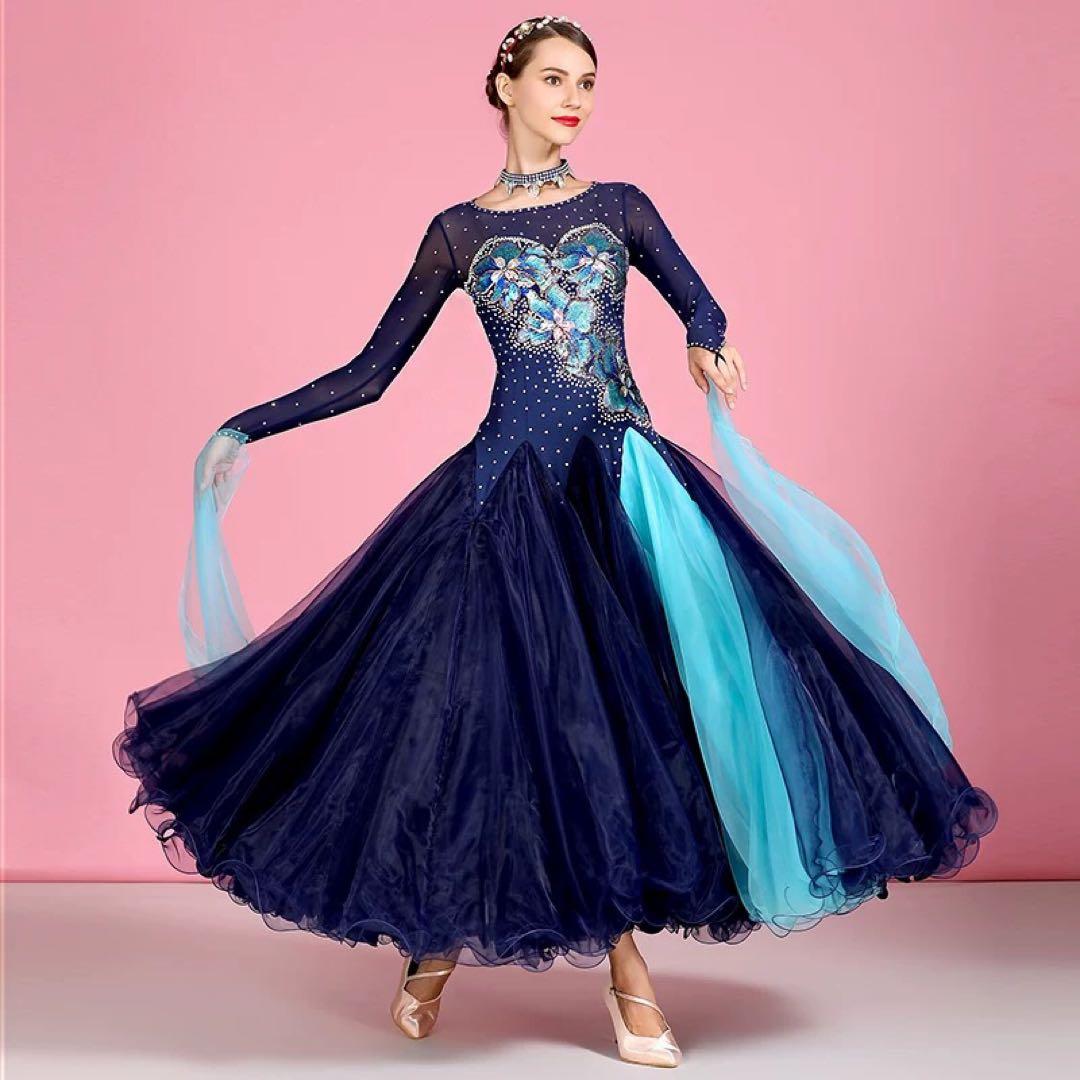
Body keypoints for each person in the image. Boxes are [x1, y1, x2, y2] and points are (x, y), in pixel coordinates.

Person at [113, 15, 998, 1069]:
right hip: (504, 504)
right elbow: (370, 373)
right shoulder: (456, 234)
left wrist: (707, 343)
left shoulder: (620, 207)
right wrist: (244, 426)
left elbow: (700, 300)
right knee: (500, 728)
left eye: (587, 82)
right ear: (505, 86)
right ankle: (557, 965)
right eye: (555, 79)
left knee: (644, 724)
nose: (575, 99)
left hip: (625, 494)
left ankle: (470, 952)